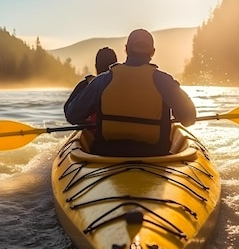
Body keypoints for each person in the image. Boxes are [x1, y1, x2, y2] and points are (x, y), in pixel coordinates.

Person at [64, 29, 196, 156]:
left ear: (126, 49)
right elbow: (189, 118)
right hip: (155, 155)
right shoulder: (164, 81)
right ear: (152, 52)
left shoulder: (103, 80)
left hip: (107, 154)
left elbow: (72, 115)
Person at [63, 46, 118, 124]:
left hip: (95, 132)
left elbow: (69, 115)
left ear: (96, 66)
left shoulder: (88, 84)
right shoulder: (125, 84)